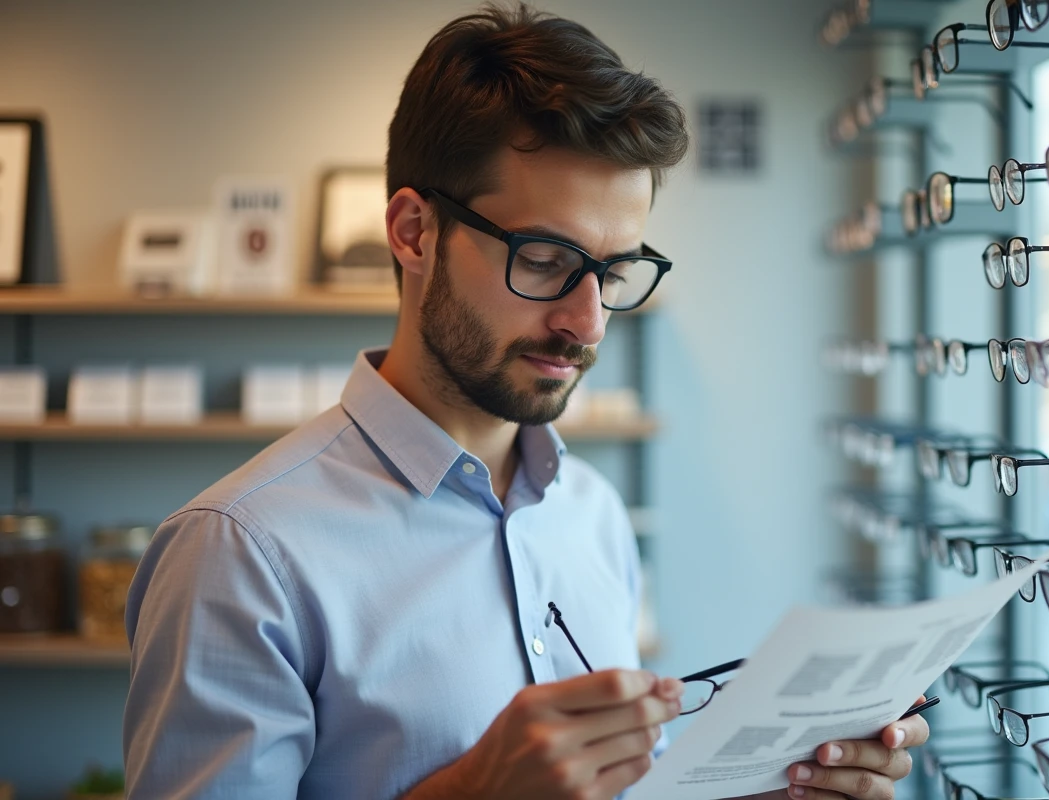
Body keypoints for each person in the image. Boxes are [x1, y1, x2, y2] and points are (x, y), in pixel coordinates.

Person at [122, 4, 929, 799]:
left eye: (612, 274)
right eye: (545, 258)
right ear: (413, 232)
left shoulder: (593, 514)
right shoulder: (238, 554)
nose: (588, 323)